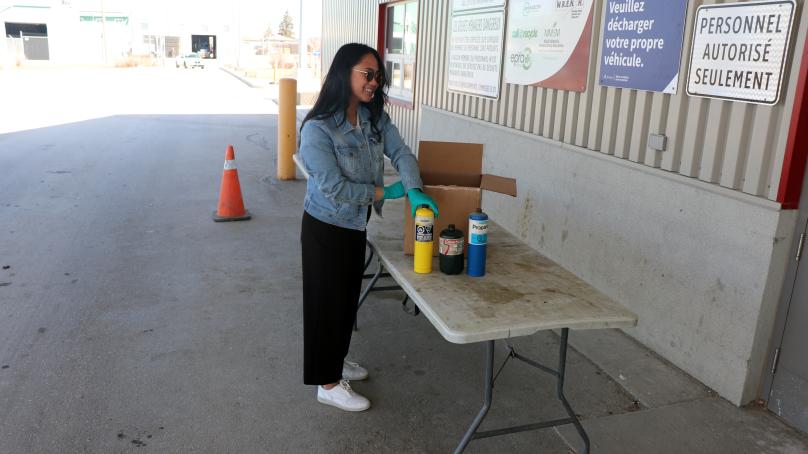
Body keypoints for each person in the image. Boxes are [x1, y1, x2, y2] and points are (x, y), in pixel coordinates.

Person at [298, 43, 438, 412]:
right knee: (325, 304)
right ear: (344, 74)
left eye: (378, 75)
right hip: (325, 226)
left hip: (354, 224)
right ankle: (326, 383)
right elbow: (333, 187)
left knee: (345, 301)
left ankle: (336, 359)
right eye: (367, 74)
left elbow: (402, 152)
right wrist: (384, 191)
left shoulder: (373, 118)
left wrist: (413, 189)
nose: (375, 82)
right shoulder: (318, 129)